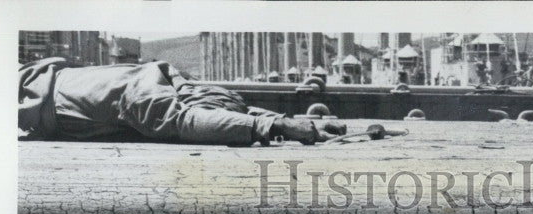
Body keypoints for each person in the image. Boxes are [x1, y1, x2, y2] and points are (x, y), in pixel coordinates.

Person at [18, 57, 344, 145]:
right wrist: (281, 125)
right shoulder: (145, 98)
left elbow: (217, 108)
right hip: (32, 100)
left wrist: (304, 123)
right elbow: (189, 120)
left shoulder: (161, 74)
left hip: (42, 81)